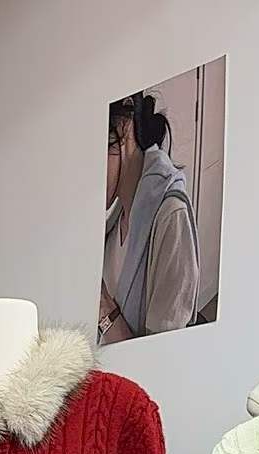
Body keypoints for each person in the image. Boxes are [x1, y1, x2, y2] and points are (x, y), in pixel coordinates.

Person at [100, 91, 201, 343]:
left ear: (123, 127)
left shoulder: (171, 216)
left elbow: (164, 354)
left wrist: (104, 309)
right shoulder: (116, 219)